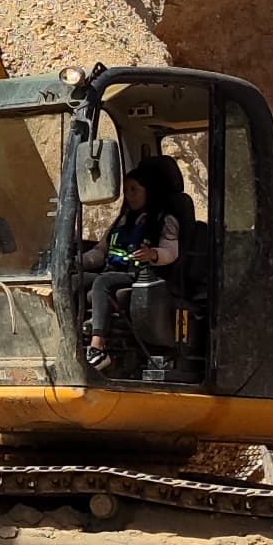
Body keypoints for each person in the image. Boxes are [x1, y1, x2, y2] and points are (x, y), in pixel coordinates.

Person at [84, 148, 198, 378]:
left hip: (140, 276)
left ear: (149, 192)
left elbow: (170, 251)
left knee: (102, 283)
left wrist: (153, 254)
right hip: (113, 270)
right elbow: (100, 252)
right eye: (126, 190)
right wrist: (76, 261)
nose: (130, 195)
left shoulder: (164, 219)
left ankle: (97, 347)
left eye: (135, 190)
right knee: (74, 280)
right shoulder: (123, 219)